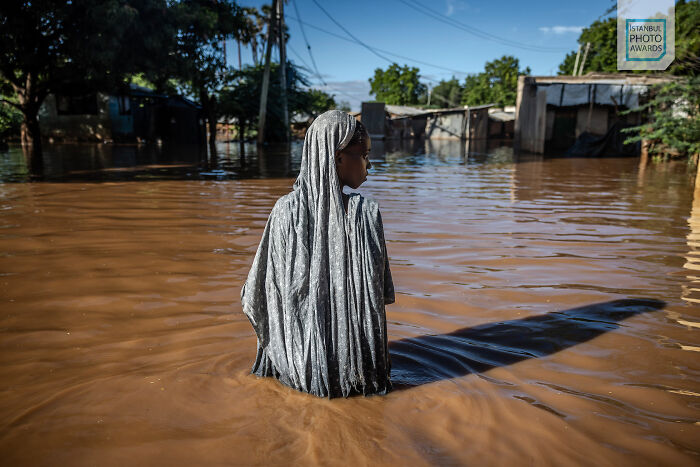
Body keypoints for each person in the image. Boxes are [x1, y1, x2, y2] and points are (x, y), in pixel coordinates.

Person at [240, 110, 395, 398]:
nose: (370, 164)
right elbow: (380, 296)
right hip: (360, 377)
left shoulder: (284, 212)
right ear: (337, 158)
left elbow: (258, 295)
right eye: (364, 155)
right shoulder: (365, 213)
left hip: (296, 371)